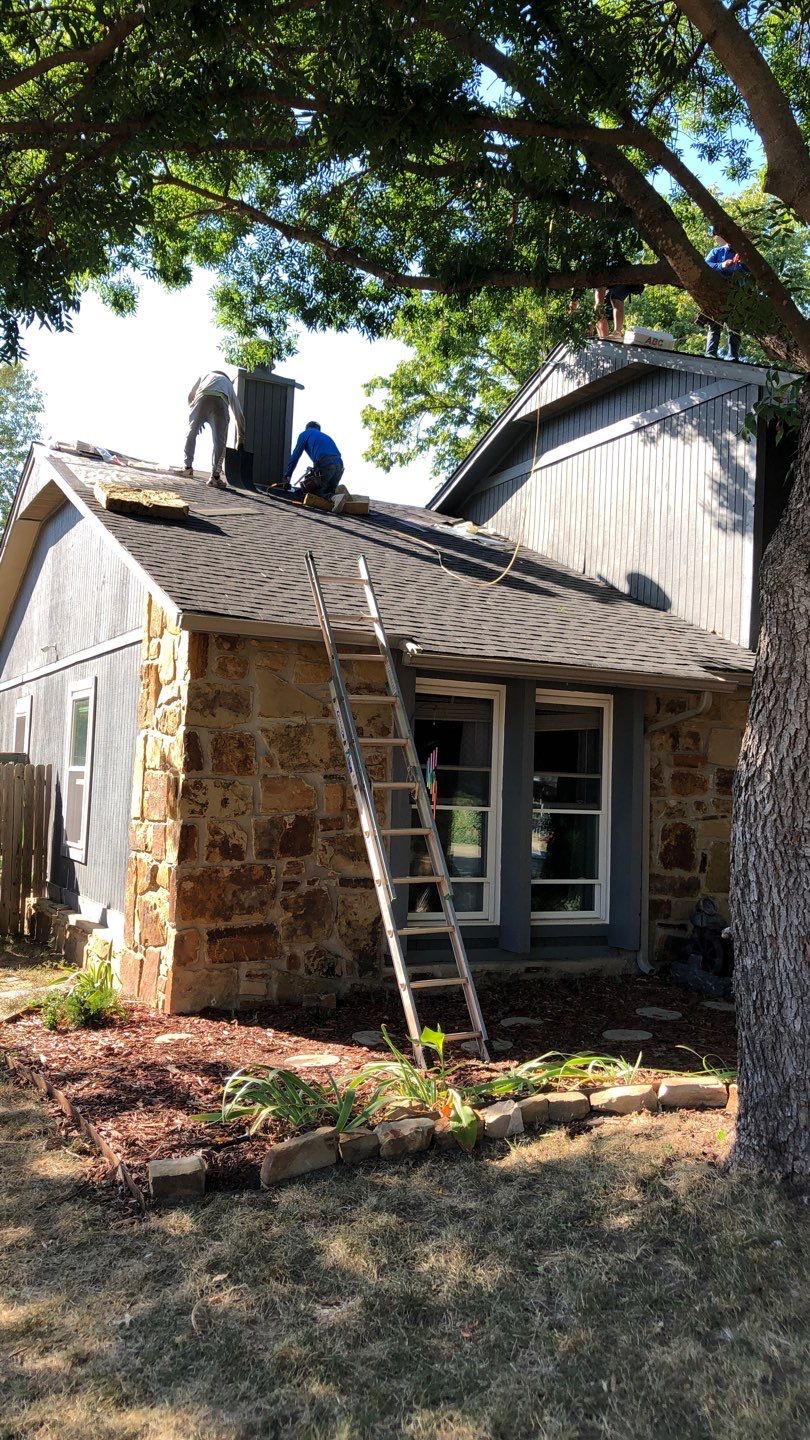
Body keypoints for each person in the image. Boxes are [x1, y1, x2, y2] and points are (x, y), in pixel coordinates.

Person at [183, 370, 245, 488]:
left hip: (201, 398)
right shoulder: (228, 383)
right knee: (219, 441)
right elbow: (239, 414)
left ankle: (187, 468)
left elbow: (190, 396)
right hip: (219, 403)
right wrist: (240, 439)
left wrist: (195, 418)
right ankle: (215, 477)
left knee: (191, 432)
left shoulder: (204, 375)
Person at [704, 229, 748, 361]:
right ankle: (711, 352)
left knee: (734, 327)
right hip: (717, 293)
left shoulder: (744, 255)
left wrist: (739, 266)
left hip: (736, 295)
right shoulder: (717, 252)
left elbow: (750, 272)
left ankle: (733, 355)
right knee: (715, 324)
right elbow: (706, 266)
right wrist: (723, 265)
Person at [283, 420, 344, 499]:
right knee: (327, 494)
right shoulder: (326, 436)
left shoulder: (305, 434)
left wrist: (288, 475)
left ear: (307, 428)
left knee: (311, 493)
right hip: (339, 467)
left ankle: (333, 498)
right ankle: (337, 497)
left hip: (326, 464)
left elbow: (295, 455)